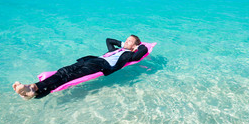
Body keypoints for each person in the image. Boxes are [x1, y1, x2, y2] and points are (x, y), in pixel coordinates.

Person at [13, 35, 148, 100]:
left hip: (101, 65)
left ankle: (34, 89)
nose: (127, 41)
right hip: (92, 60)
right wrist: (123, 43)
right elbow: (108, 40)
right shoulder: (117, 49)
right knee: (63, 71)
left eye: (130, 40)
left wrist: (136, 47)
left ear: (134, 45)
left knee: (69, 77)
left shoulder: (129, 55)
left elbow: (142, 51)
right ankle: (33, 89)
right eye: (127, 39)